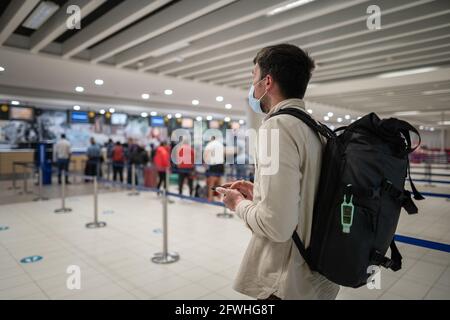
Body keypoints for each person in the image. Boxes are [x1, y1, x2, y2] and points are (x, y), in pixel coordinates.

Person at [216, 44, 340, 300]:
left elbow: (276, 226)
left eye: (254, 76)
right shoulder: (315, 129)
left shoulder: (277, 128)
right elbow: (305, 194)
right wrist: (259, 194)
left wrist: (238, 203)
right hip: (317, 276)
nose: (252, 86)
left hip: (285, 282)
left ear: (267, 81)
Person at [204, 136, 224, 202]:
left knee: (211, 182)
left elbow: (206, 154)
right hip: (221, 164)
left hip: (213, 165)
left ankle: (210, 198)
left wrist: (205, 163)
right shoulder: (220, 144)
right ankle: (219, 197)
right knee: (219, 181)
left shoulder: (210, 144)